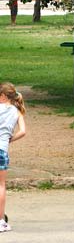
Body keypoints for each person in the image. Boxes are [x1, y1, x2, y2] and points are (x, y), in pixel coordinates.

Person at [0, 83, 26, 232]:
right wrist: (10, 139)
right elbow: (23, 131)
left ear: (3, 96)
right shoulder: (17, 111)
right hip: (2, 150)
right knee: (1, 185)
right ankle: (1, 220)